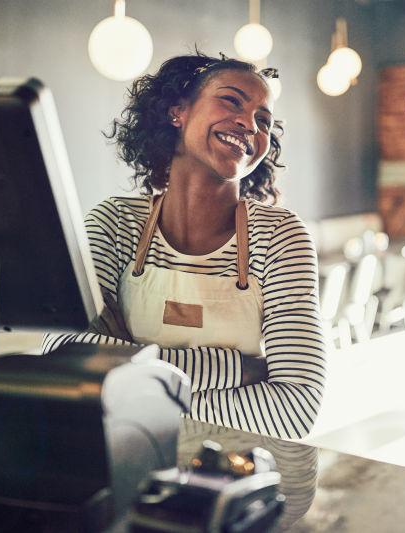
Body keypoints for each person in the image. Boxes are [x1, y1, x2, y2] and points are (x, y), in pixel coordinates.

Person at [43, 52, 326, 440]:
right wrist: (237, 368)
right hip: (127, 467)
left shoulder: (279, 237)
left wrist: (134, 398)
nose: (249, 124)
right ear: (177, 111)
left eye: (264, 120)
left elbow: (295, 409)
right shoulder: (115, 224)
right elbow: (66, 353)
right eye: (231, 101)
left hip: (233, 471)